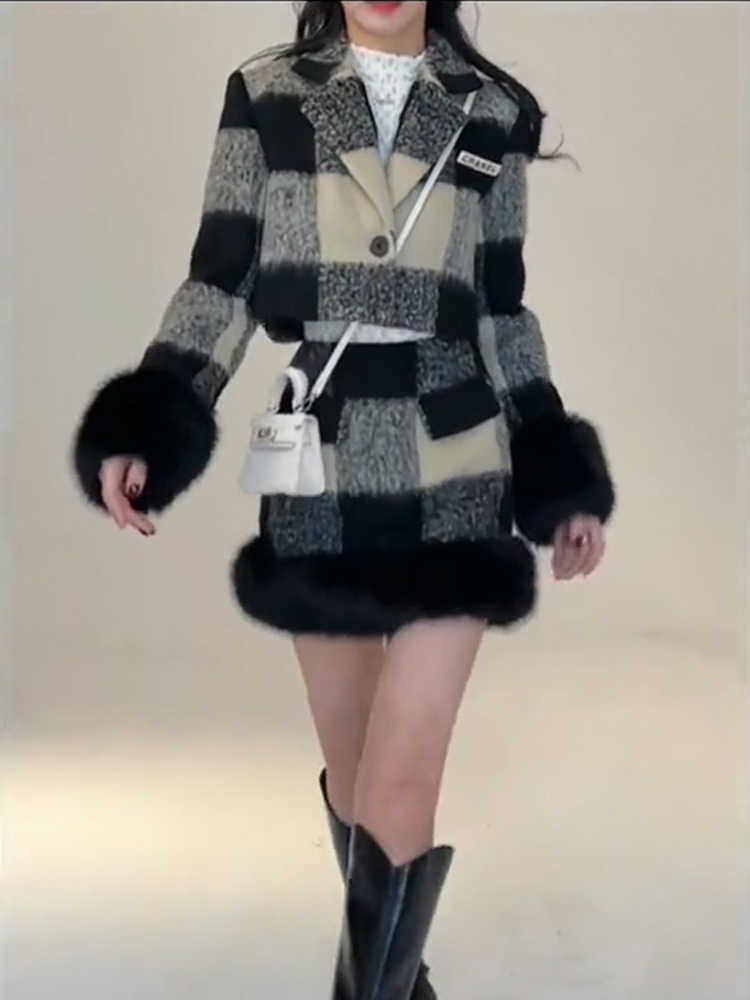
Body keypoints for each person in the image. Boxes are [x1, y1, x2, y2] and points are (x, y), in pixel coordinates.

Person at [70, 2, 616, 996]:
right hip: (319, 463)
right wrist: (150, 419)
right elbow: (222, 283)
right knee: (362, 786)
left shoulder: (487, 112)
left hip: (456, 462)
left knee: (403, 778)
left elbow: (502, 313)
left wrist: (558, 476)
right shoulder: (268, 96)